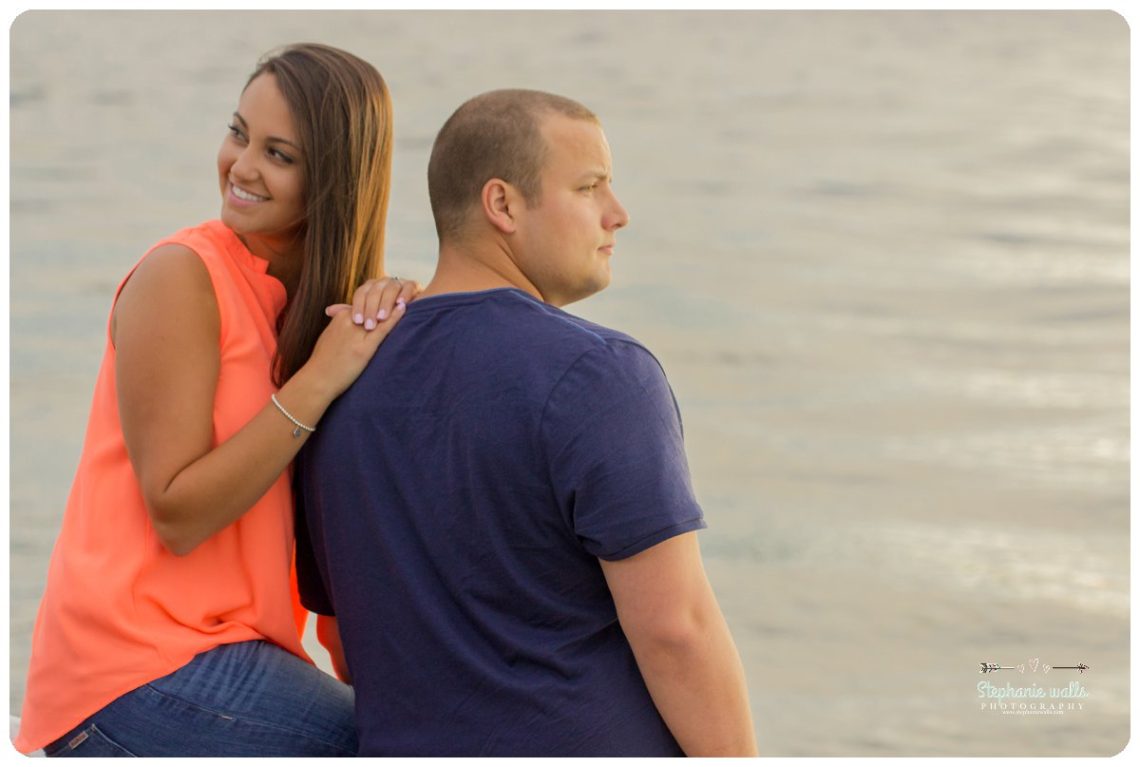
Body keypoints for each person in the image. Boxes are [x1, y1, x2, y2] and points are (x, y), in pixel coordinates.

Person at [296, 89, 758, 756]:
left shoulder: (336, 381)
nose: (618, 214)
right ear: (503, 204)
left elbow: (345, 644)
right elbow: (676, 630)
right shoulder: (599, 375)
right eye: (590, 187)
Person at [14, 43, 417, 757]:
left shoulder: (322, 314)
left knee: (433, 726)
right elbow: (175, 509)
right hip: (129, 669)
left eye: (279, 154)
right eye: (238, 133)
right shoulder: (182, 276)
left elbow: (338, 535)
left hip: (234, 656)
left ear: (334, 180)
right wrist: (321, 377)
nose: (241, 166)